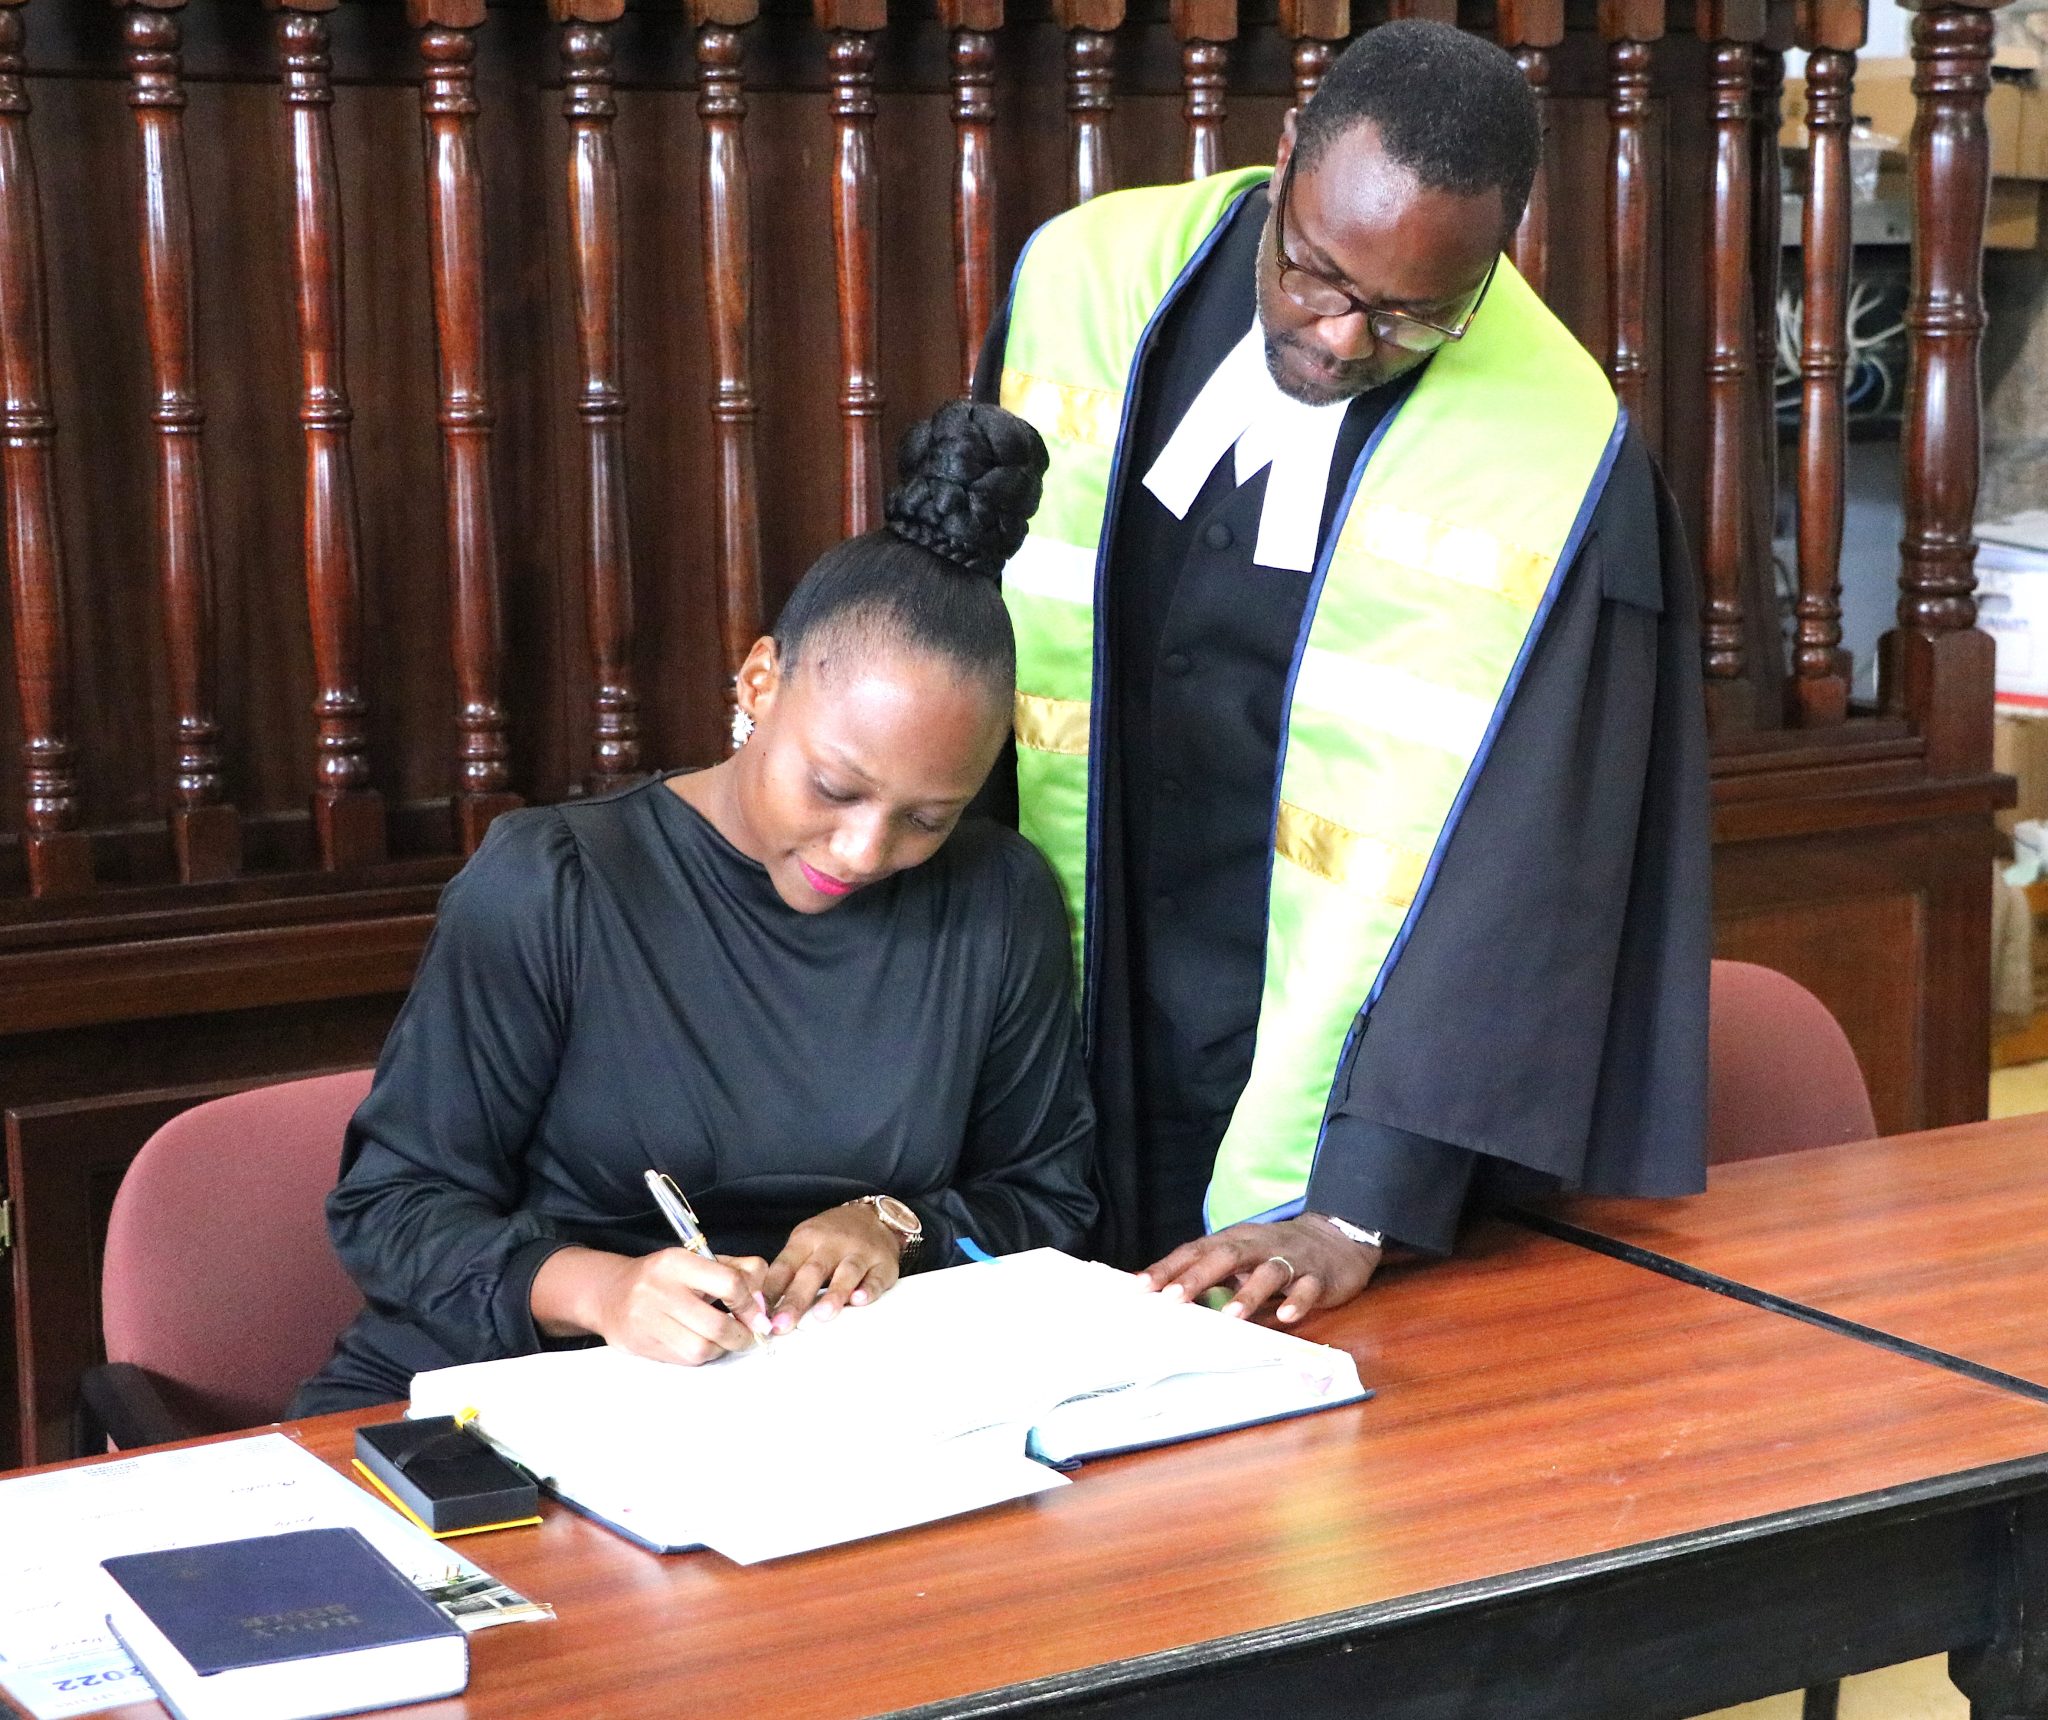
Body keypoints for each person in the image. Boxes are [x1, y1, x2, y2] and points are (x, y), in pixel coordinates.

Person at [972, 20, 1709, 1325]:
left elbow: (1533, 878)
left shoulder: (1561, 452)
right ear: (1283, 162)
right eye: (1315, 276)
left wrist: (1359, 1196)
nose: (1342, 339)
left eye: (1416, 311)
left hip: (1317, 1076)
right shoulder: (1091, 282)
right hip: (1072, 999)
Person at [293, 403, 1096, 1413]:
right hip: (514, 1393)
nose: (864, 851)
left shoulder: (995, 899)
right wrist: (606, 1289)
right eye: (835, 788)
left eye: (928, 818)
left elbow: (1047, 1194)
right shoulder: (555, 883)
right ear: (760, 679)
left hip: (820, 1413)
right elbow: (390, 1209)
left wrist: (895, 1221)